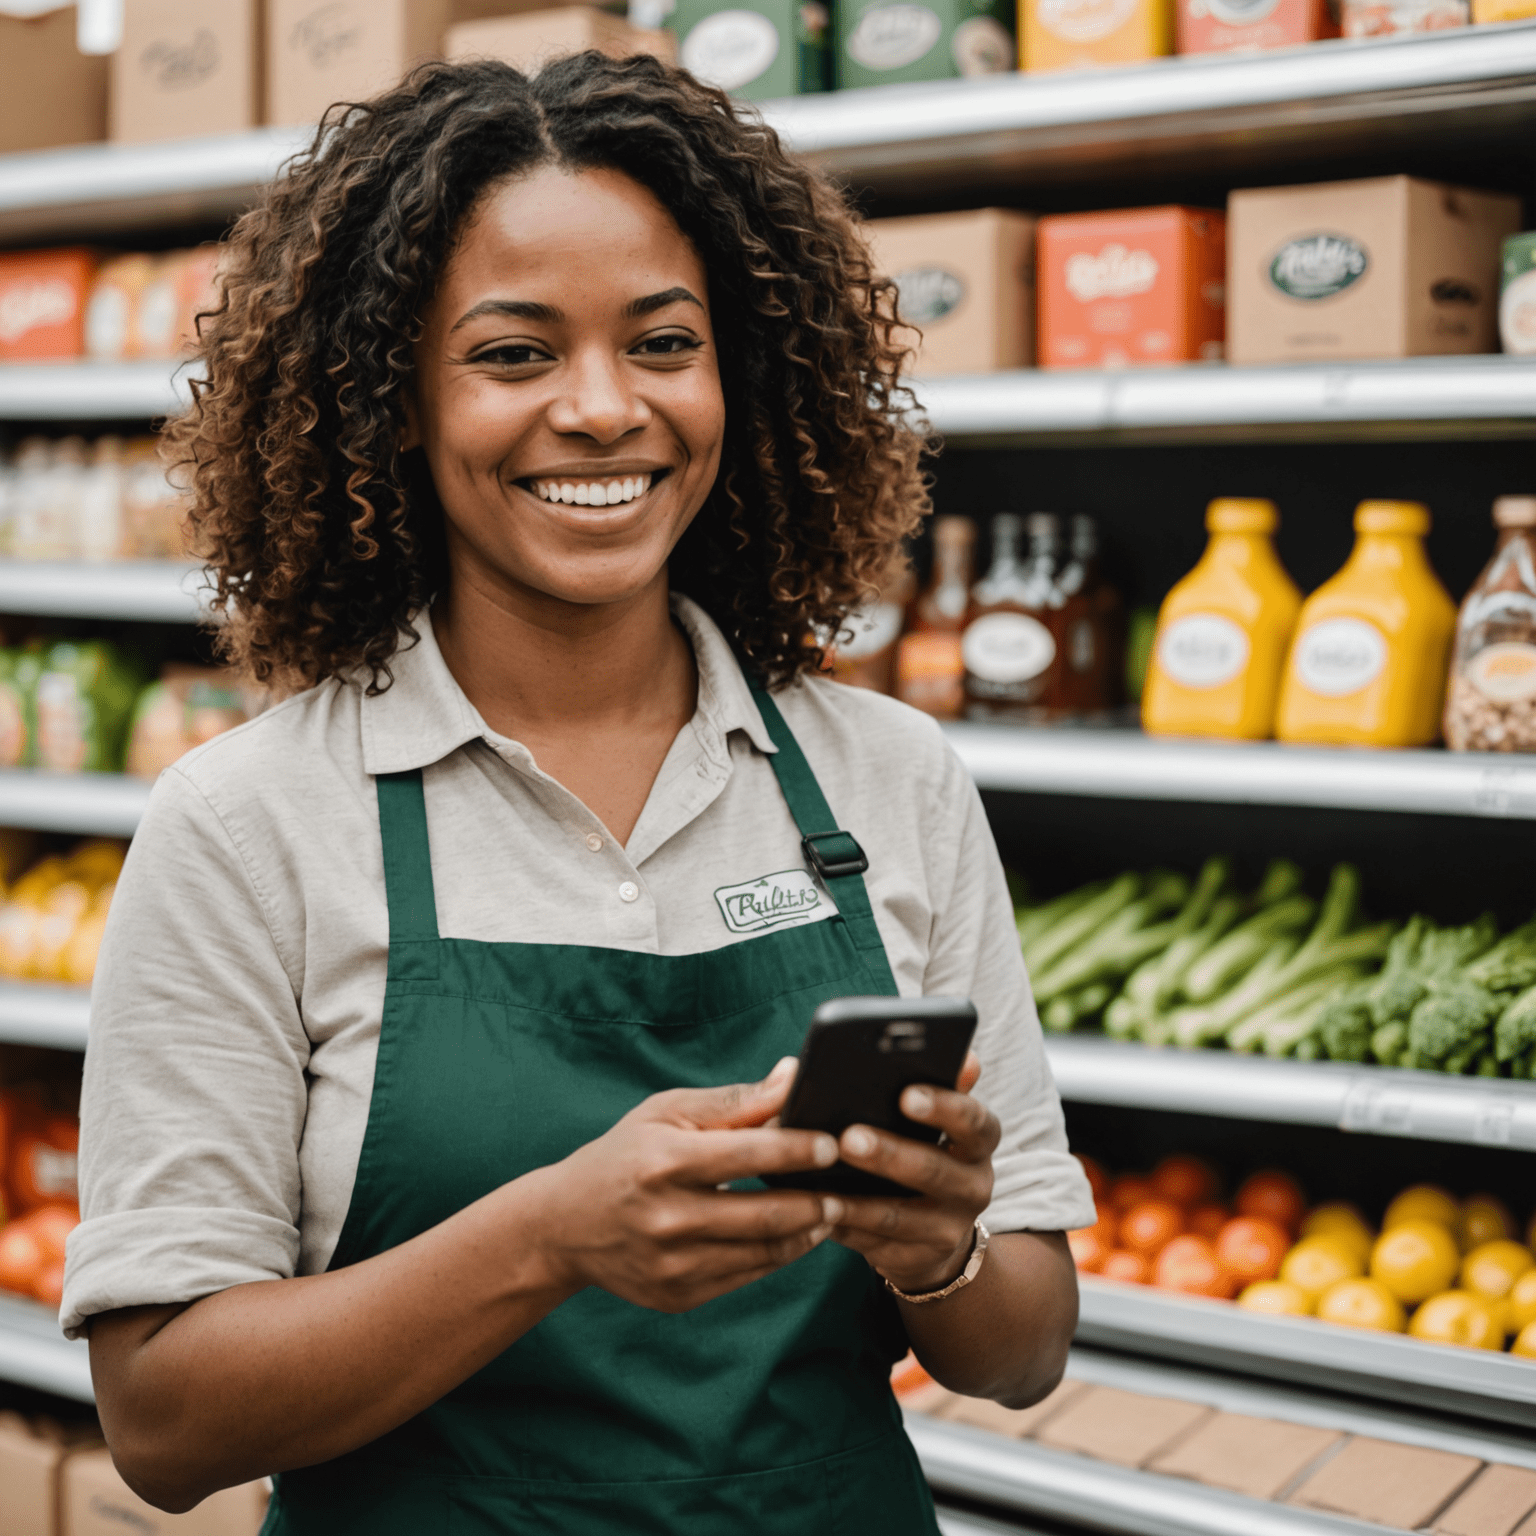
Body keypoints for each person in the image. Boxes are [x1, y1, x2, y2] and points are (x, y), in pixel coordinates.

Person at [63, 51, 1094, 1535]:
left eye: (664, 342)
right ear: (395, 402)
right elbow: (162, 1421)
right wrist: (547, 1238)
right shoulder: (250, 825)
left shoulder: (890, 778)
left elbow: (1026, 1346)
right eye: (514, 353)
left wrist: (937, 1250)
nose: (606, 408)